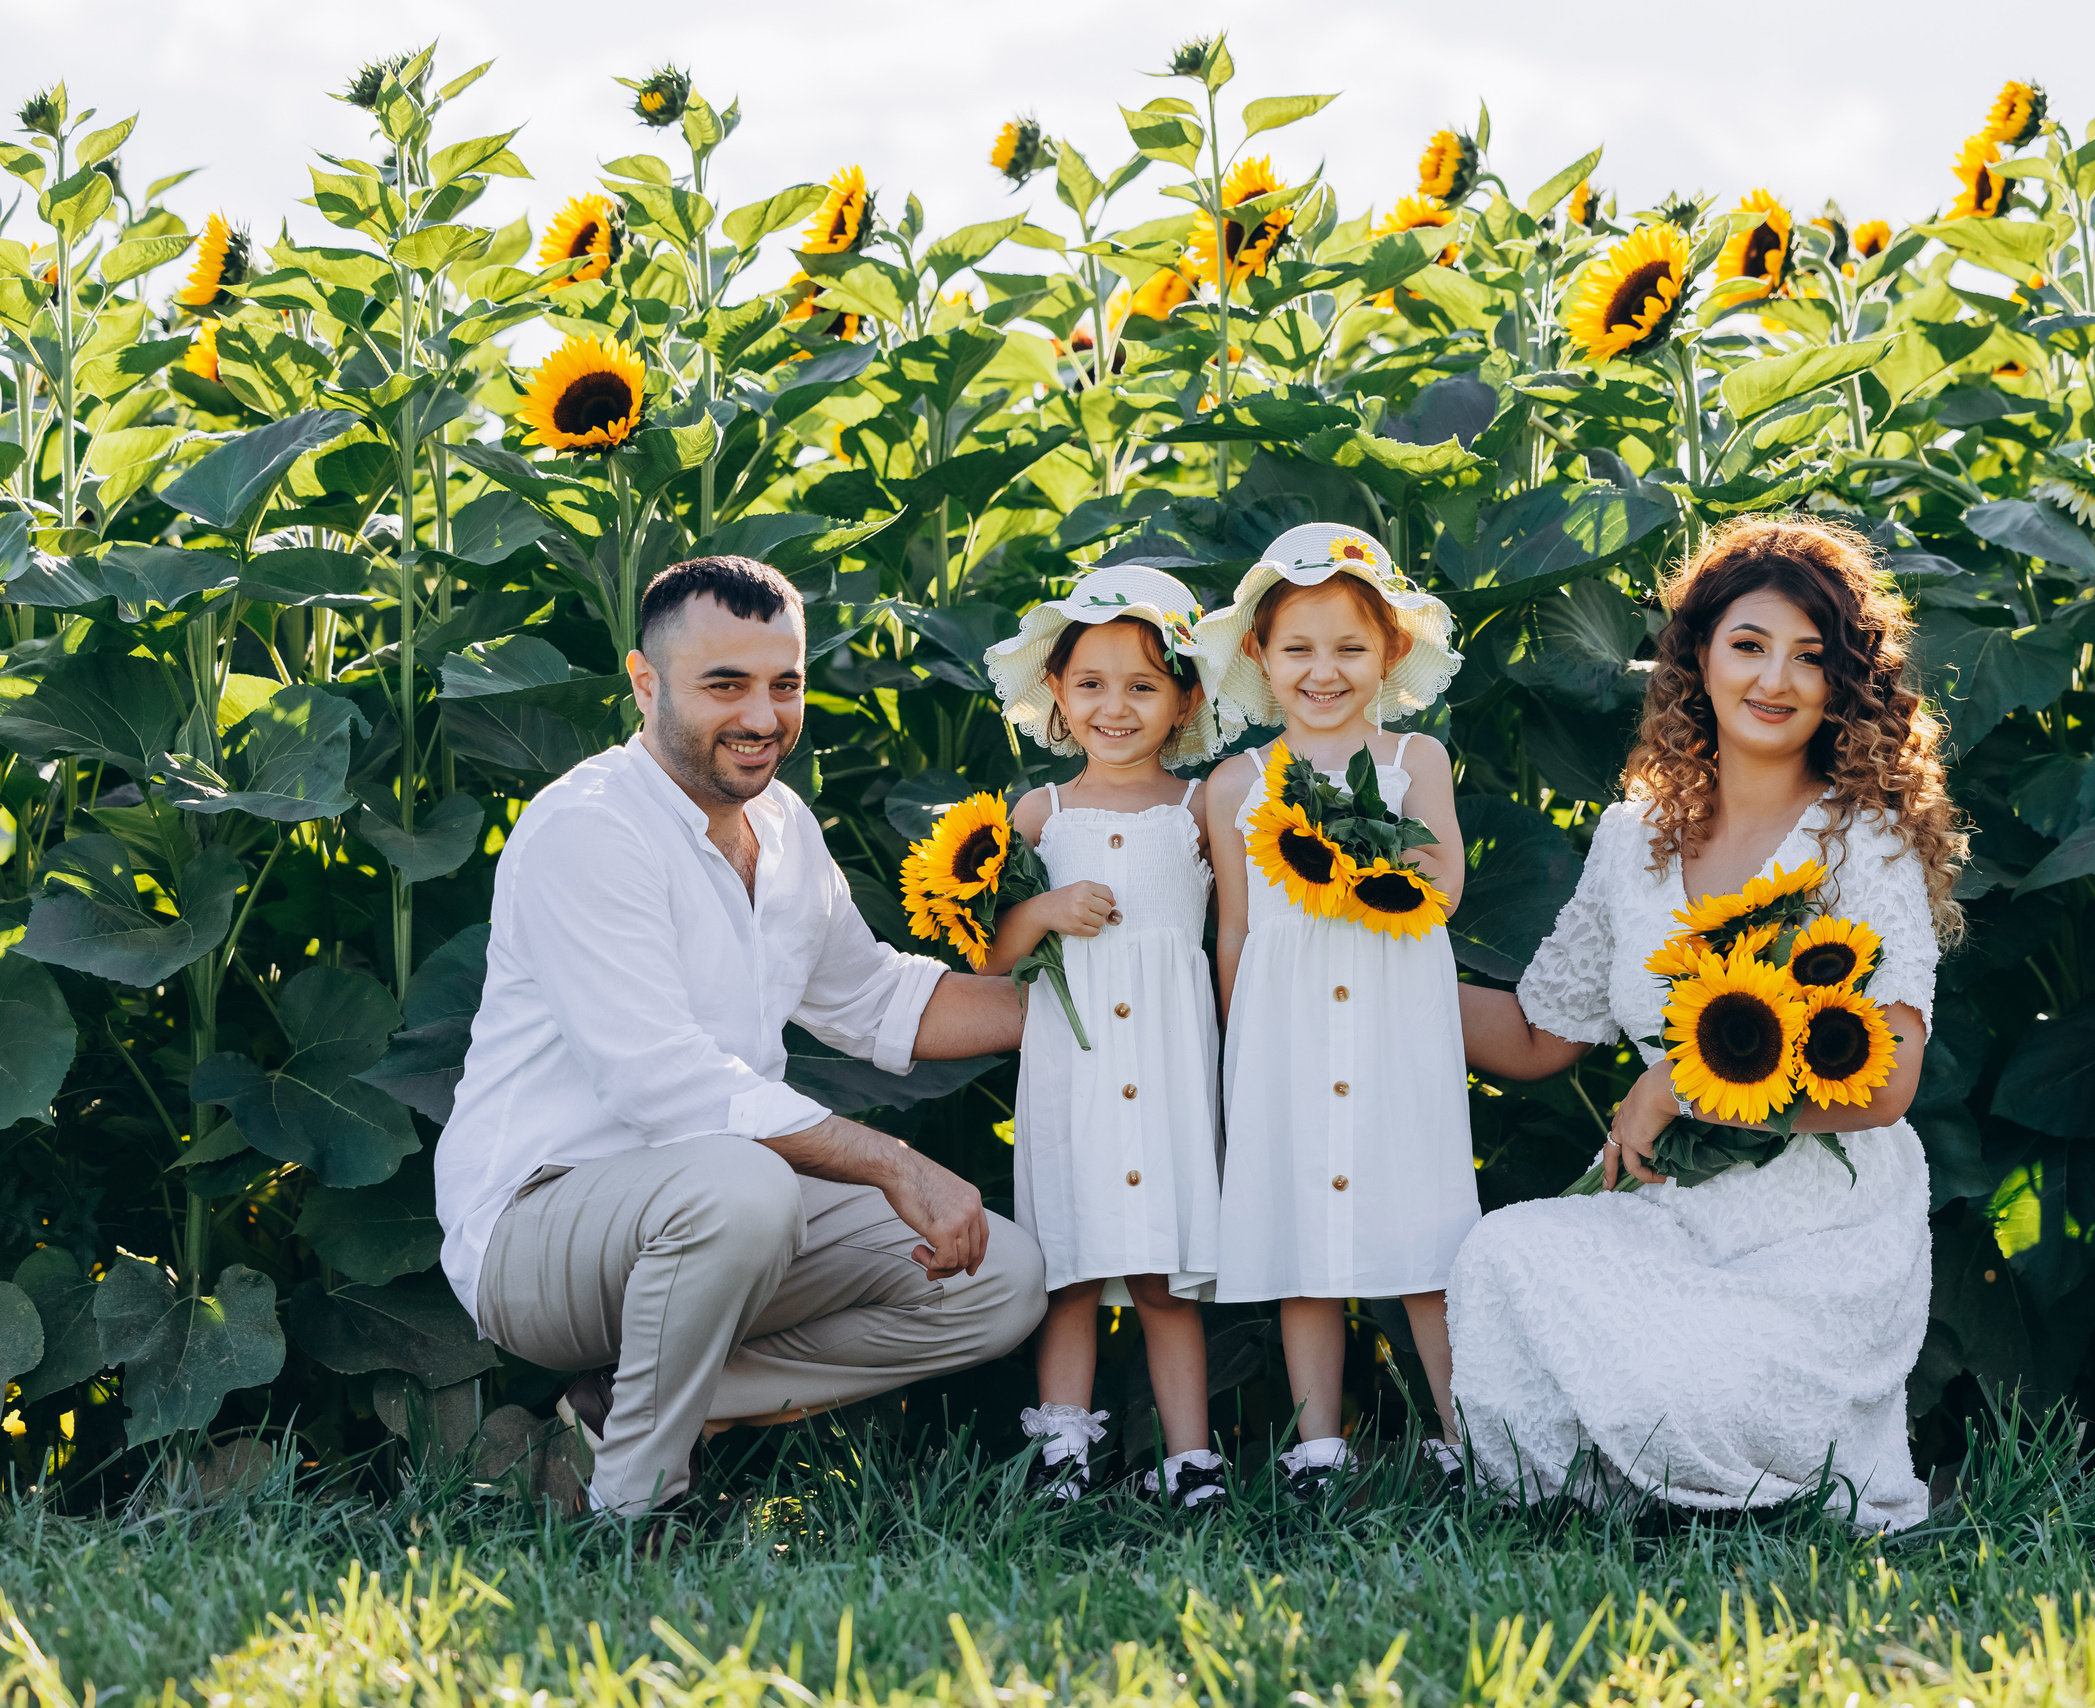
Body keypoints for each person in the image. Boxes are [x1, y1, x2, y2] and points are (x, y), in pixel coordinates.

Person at [434, 555, 1046, 1522]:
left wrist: (1099, 1004)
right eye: (726, 686)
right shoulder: (589, 830)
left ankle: (623, 1415)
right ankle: (635, 1515)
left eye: (785, 684)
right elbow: (666, 1085)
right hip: (537, 1229)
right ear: (645, 682)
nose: (763, 717)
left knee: (999, 1282)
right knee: (744, 1183)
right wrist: (894, 1163)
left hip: (718, 1212)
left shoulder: (785, 827)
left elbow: (879, 998)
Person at [1446, 514, 1966, 1531]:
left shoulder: (1859, 844)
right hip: (1675, 1212)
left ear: (1845, 683)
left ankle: (1729, 1466)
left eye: (1811, 658)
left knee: (1681, 1389)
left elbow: (1890, 1080)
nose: (1774, 680)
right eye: (1748, 645)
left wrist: (1680, 1083)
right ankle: (1634, 1486)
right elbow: (1532, 1037)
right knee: (1504, 1257)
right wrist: (1378, 967)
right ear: (1696, 658)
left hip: (1824, 1223)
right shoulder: (1633, 839)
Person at [1192, 523, 1479, 1491]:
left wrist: (1366, 849)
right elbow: (1234, 930)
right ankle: (1317, 1443)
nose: (1324, 671)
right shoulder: (1236, 785)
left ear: (1391, 653)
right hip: (1285, 1038)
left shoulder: (1412, 764)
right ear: (1259, 658)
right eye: (1298, 649)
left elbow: (1440, 886)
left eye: (1351, 648)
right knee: (1297, 1238)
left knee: (1426, 1232)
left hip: (1398, 1038)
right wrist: (1239, 1045)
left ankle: (1459, 1432)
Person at [978, 566, 1233, 1507]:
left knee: (1164, 1277)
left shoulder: (1198, 810)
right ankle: (1063, 1452)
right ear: (1056, 693)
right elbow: (997, 952)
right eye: (1090, 684)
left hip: (1167, 1063)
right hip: (1073, 1072)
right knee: (1071, 1270)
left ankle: (1190, 1457)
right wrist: (1043, 906)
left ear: (1184, 700)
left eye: (1142, 686)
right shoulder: (1041, 815)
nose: (1113, 707)